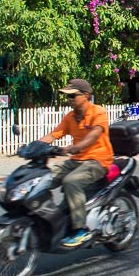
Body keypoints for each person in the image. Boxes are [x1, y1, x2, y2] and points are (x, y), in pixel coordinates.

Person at [38, 78, 114, 248]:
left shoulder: (98, 112)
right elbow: (54, 135)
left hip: (98, 160)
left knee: (71, 182)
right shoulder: (70, 117)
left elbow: (95, 134)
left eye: (73, 96)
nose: (70, 100)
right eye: (68, 97)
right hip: (76, 160)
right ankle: (50, 219)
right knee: (44, 177)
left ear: (86, 95)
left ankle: (81, 229)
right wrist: (35, 146)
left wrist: (76, 147)